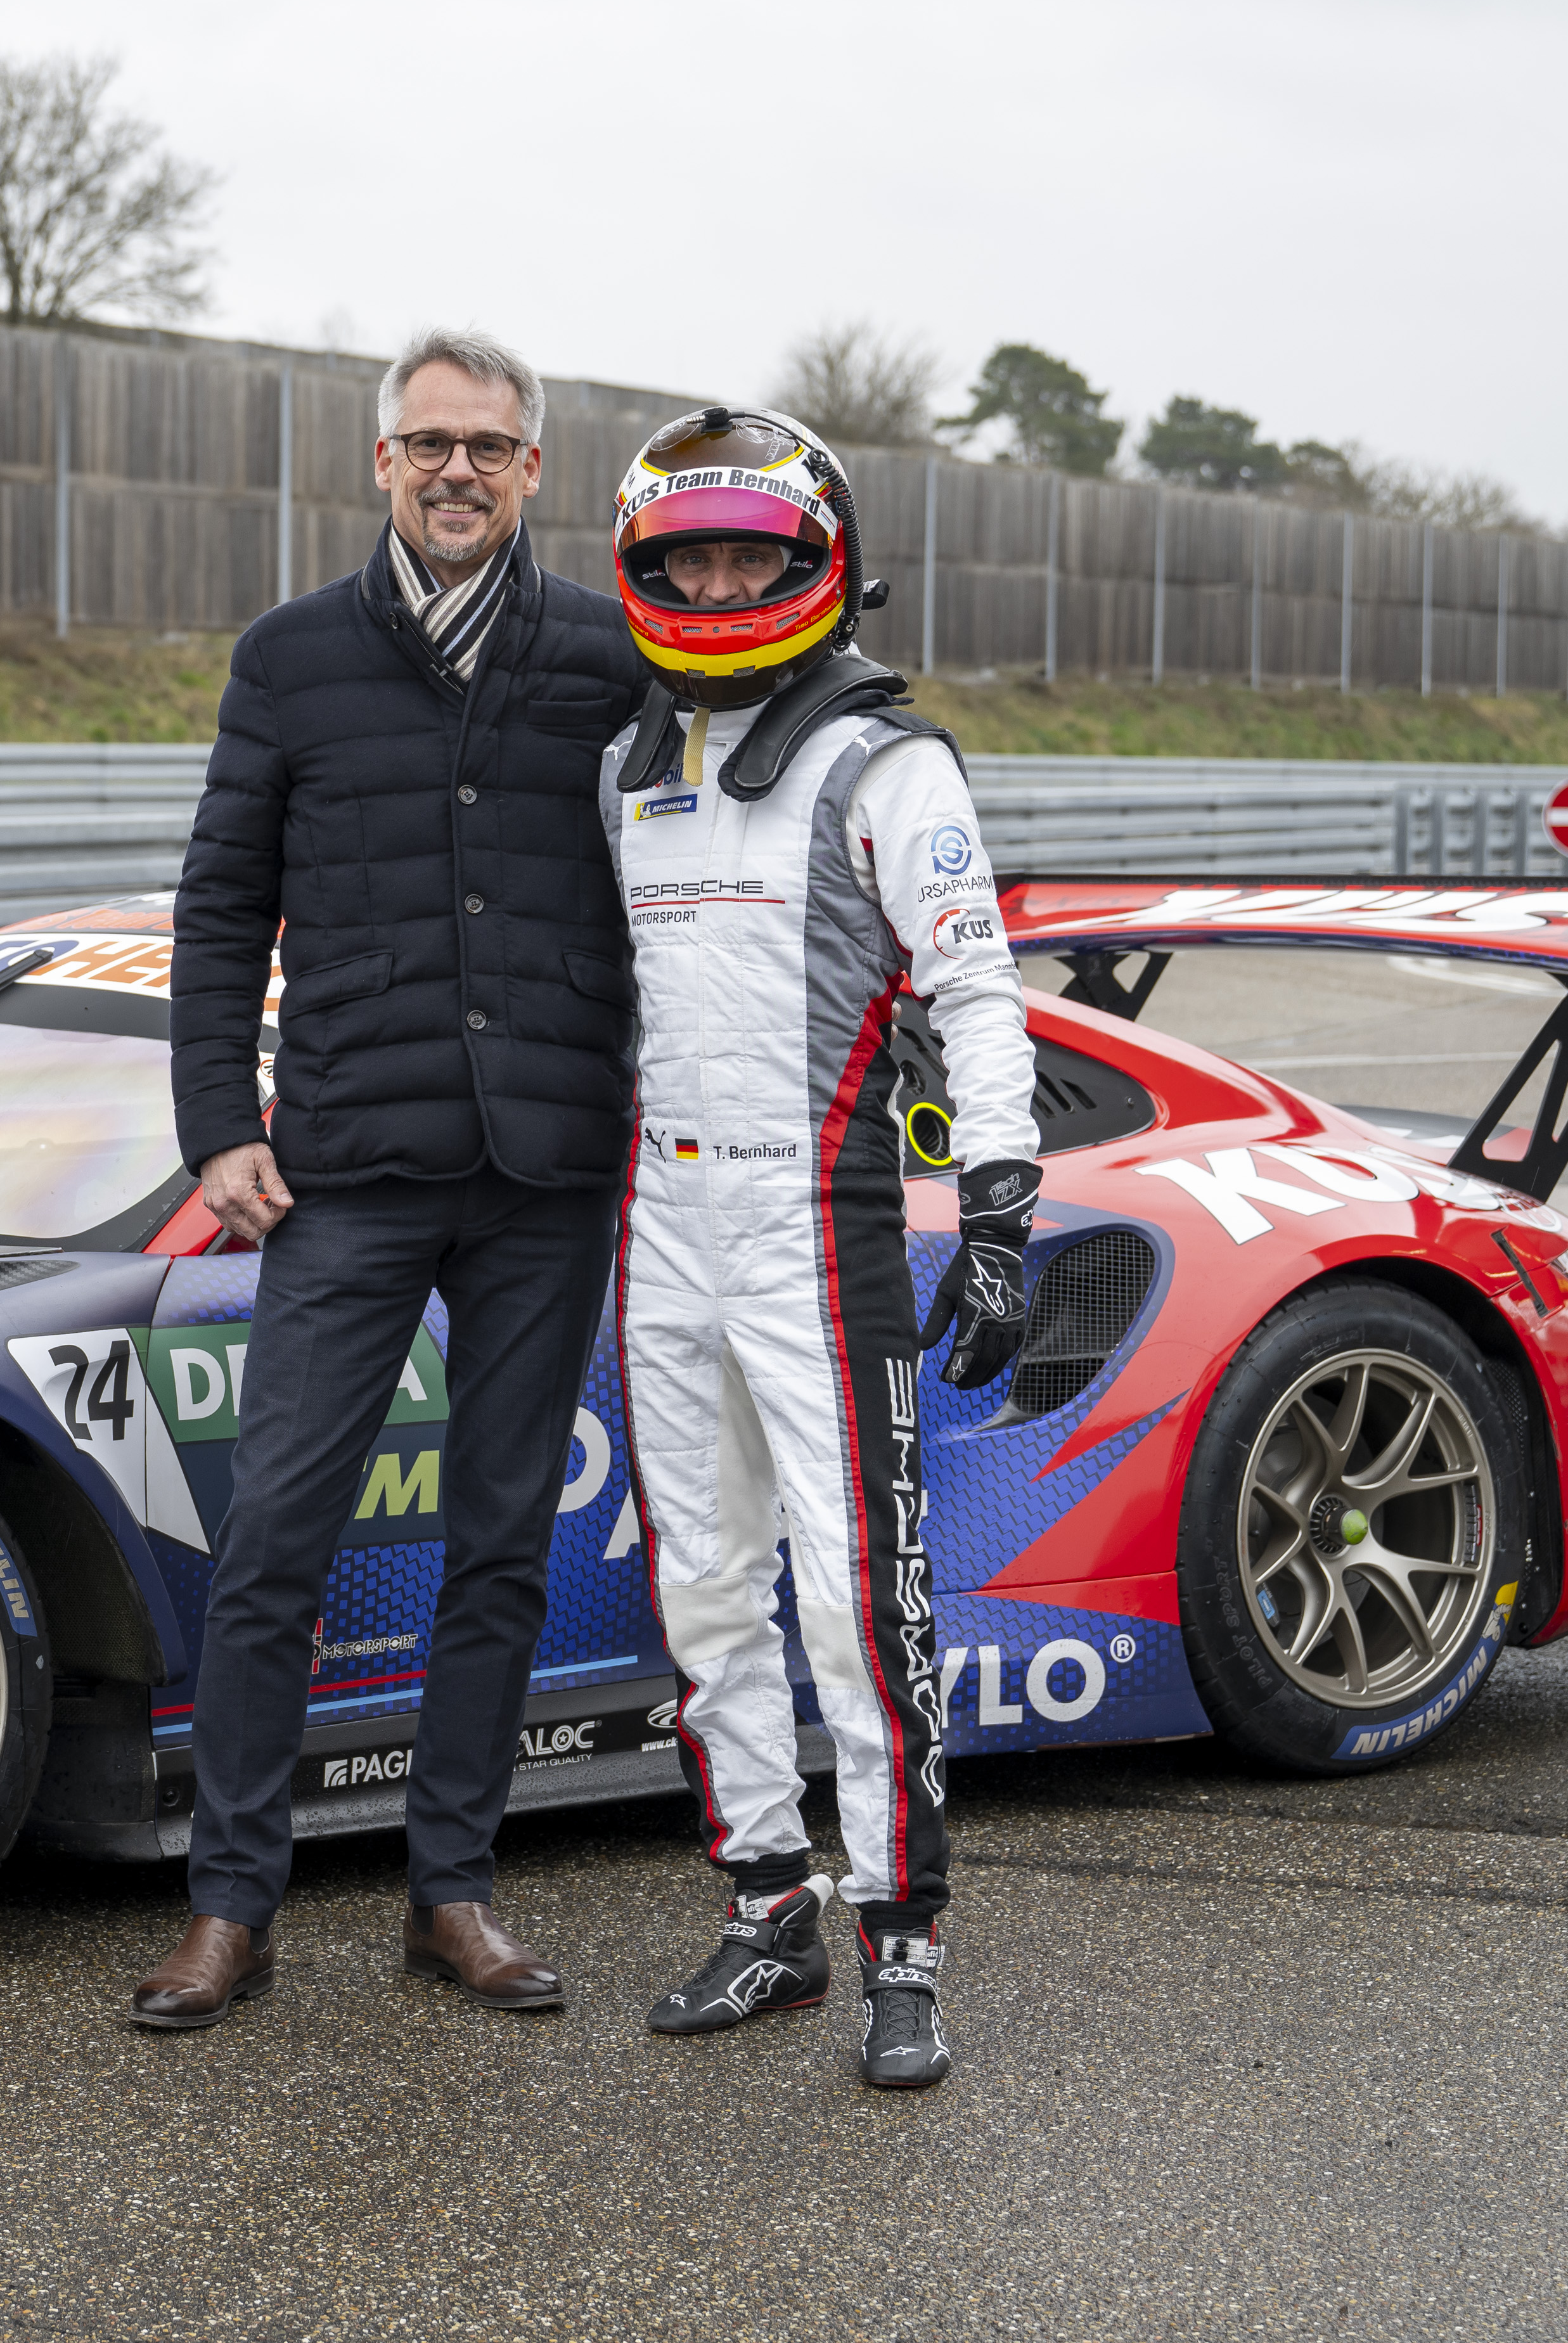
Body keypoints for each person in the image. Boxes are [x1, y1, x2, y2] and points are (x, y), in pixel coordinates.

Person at [127, 330, 650, 2030]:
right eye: (427, 443)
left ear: (533, 471)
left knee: (499, 1543)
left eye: (488, 448)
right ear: (379, 463)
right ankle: (232, 1906)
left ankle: (455, 1890)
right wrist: (222, 1122)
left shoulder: (608, 656)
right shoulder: (289, 661)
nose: (455, 472)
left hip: (543, 1176)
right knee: (276, 1534)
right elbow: (218, 907)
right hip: (343, 1173)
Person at [597, 406, 1038, 2090]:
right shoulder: (622, 767)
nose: (716, 579)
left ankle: (901, 1941)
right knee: (702, 1591)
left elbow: (977, 991)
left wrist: (999, 1206)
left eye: (748, 555)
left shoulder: (888, 761)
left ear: (817, 563)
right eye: (687, 554)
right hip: (665, 1225)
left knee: (860, 1608)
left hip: (818, 1221)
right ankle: (766, 1904)